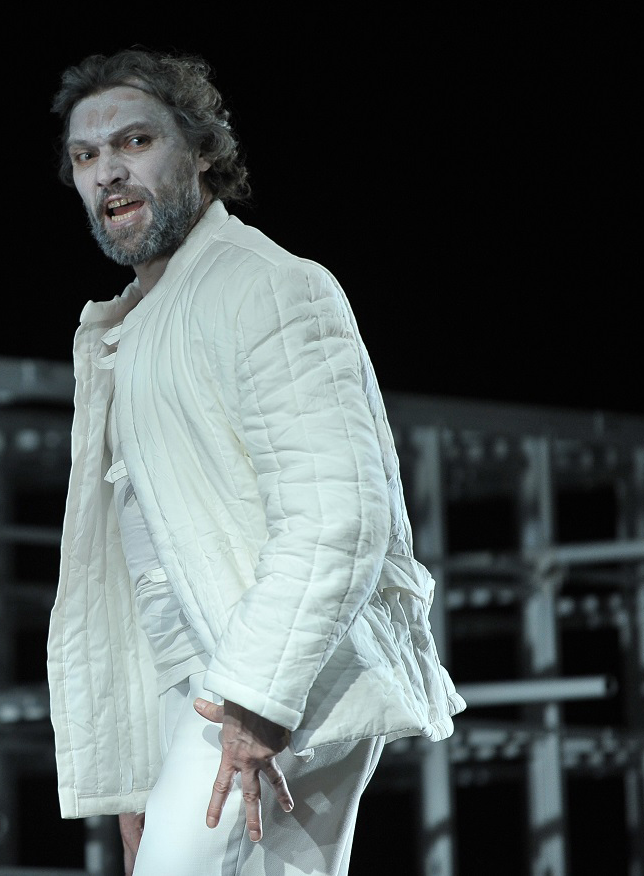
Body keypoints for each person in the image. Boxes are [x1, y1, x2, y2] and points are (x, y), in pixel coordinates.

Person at [44, 48, 465, 876]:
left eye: (135, 141)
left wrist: (258, 697)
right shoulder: (134, 325)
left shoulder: (270, 286)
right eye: (86, 155)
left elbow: (338, 515)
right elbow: (145, 575)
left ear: (202, 150)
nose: (108, 171)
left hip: (276, 685)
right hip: (213, 695)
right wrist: (140, 767)